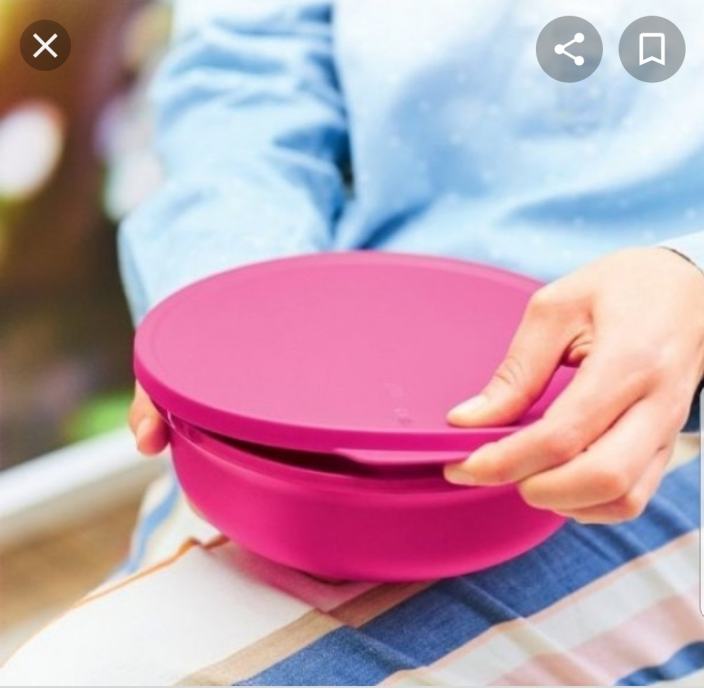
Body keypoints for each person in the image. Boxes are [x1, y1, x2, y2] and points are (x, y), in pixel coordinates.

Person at [3, 1, 703, 685]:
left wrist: (691, 277)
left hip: (666, 410)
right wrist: (228, 319)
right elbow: (246, 74)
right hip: (337, 360)